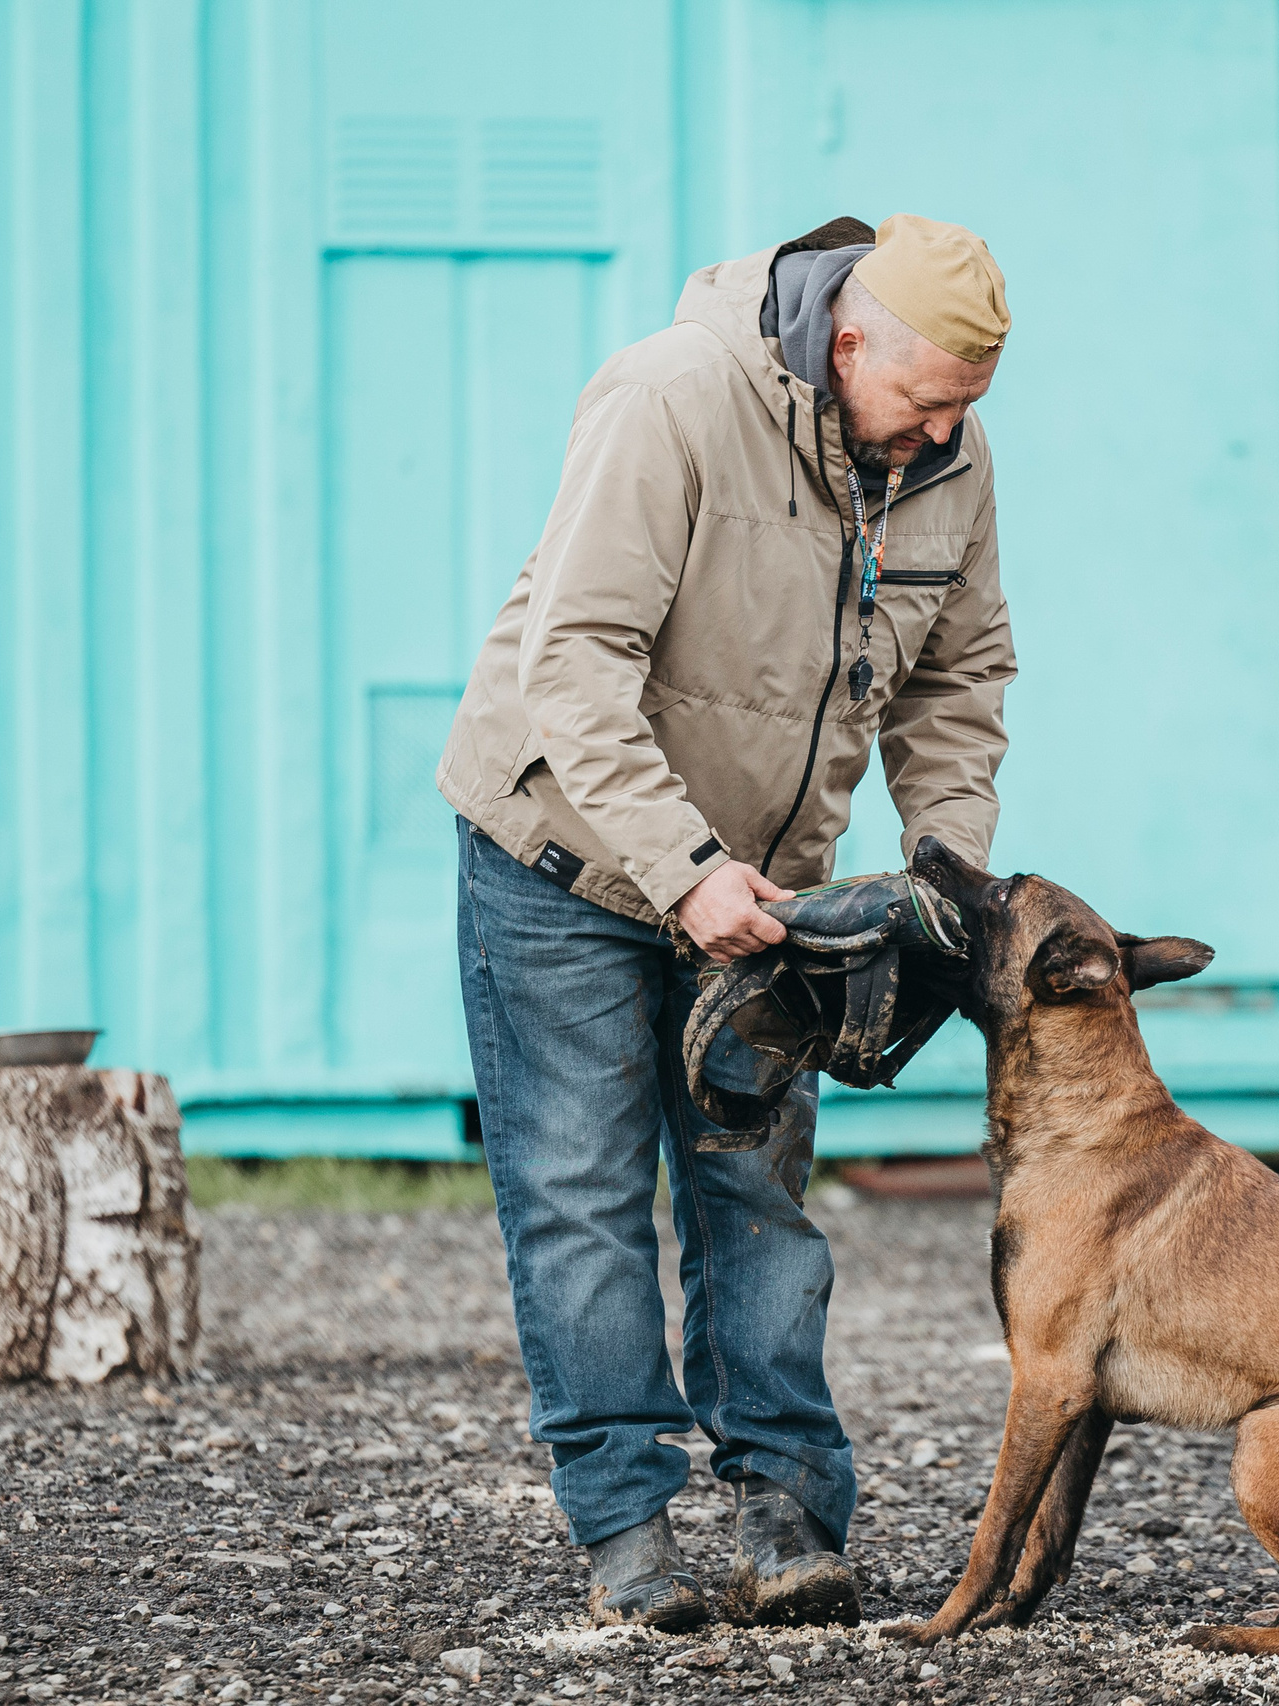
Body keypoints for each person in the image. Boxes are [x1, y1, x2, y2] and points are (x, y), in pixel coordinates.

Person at [435, 214, 1014, 1628]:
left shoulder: (944, 458)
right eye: (927, 398)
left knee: (753, 1184)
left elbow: (959, 674)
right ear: (850, 334)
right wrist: (685, 865)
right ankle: (628, 1533)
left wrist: (945, 867)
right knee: (580, 1197)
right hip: (564, 859)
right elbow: (575, 659)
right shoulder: (670, 398)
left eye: (968, 407)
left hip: (760, 892)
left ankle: (787, 1507)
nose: (944, 431)